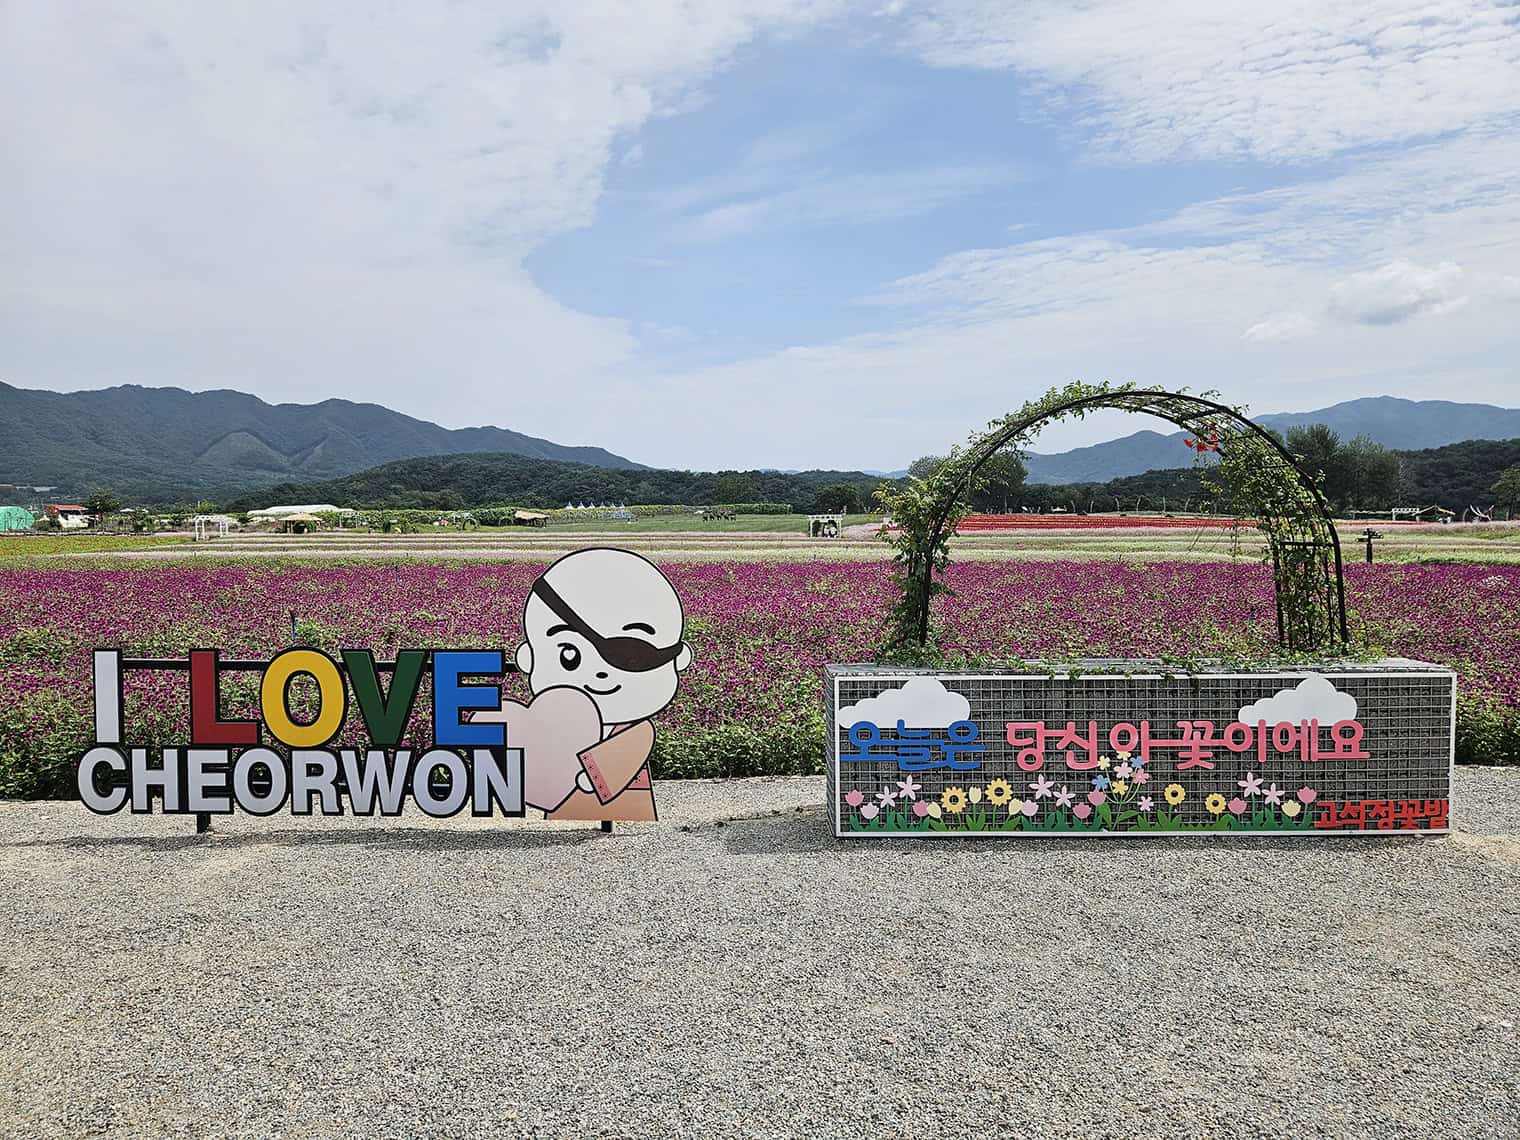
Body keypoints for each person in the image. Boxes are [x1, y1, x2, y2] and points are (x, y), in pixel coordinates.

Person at [480, 548, 692, 822]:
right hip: (564, 801)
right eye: (569, 654)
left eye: (631, 656)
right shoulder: (560, 726)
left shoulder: (637, 733)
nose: (601, 673)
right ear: (528, 658)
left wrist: (593, 776)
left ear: (677, 659)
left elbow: (620, 761)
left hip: (622, 801)